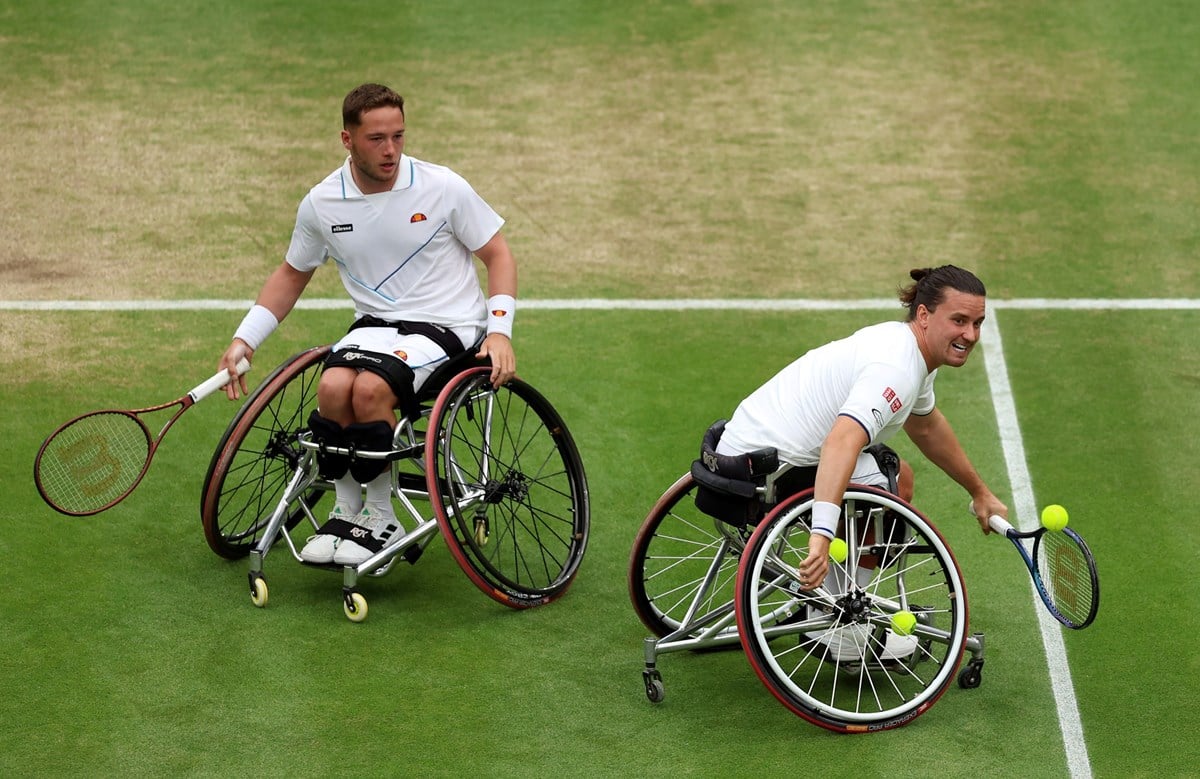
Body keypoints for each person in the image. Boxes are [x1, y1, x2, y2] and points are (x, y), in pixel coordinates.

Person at [217, 83, 518, 567]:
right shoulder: (321, 203)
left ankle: (381, 516)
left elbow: (498, 253)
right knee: (333, 387)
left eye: (398, 136)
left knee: (371, 392)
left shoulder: (442, 187)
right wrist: (243, 339)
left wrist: (500, 330)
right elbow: (292, 274)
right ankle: (346, 509)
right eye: (377, 138)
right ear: (347, 139)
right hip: (375, 326)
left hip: (449, 323)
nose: (391, 150)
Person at [714, 265, 1008, 593]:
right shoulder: (896, 370)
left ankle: (831, 604)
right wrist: (821, 538)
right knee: (895, 484)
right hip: (766, 474)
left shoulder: (906, 348)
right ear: (924, 315)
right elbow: (840, 443)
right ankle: (839, 626)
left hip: (734, 451)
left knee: (889, 470)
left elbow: (926, 427)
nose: (970, 335)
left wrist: (979, 491)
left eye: (977, 323)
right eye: (959, 321)